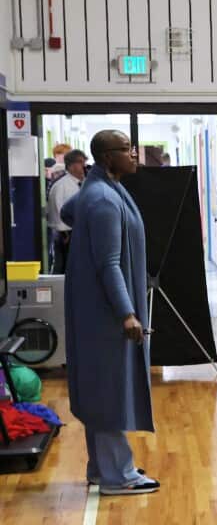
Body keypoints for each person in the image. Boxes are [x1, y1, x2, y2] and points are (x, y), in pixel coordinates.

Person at [62, 130, 160, 496]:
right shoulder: (104, 199)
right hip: (105, 312)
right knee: (107, 391)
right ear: (106, 157)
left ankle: (101, 468)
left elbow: (67, 211)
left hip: (94, 307)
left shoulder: (97, 190)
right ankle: (119, 475)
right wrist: (127, 313)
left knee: (99, 386)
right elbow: (108, 264)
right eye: (125, 149)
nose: (134, 154)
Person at [48, 149, 88, 274]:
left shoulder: (82, 183)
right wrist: (66, 234)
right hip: (65, 234)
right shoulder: (62, 186)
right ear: (71, 165)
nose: (84, 166)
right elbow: (60, 212)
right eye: (81, 162)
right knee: (64, 268)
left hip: (74, 232)